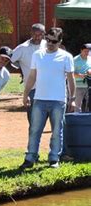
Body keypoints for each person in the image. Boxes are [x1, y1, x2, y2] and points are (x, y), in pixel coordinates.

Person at [20, 27, 75, 170]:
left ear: (60, 41)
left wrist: (72, 98)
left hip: (58, 100)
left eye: (54, 41)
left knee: (57, 131)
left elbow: (71, 79)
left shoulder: (66, 57)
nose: (50, 44)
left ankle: (54, 158)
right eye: (48, 40)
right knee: (34, 130)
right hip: (39, 99)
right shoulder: (37, 55)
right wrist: (25, 94)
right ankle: (30, 157)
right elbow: (32, 76)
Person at [11, 23, 46, 124]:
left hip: (47, 88)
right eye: (35, 34)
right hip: (32, 89)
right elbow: (10, 60)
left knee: (48, 119)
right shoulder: (22, 48)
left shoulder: (48, 45)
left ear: (44, 34)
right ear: (31, 33)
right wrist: (19, 69)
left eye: (40, 35)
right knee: (33, 120)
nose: (37, 37)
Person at [73, 44, 91, 112]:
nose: (87, 53)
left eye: (88, 51)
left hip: (89, 86)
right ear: (81, 50)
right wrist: (79, 75)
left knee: (89, 105)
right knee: (77, 106)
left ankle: (88, 120)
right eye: (85, 51)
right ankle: (77, 120)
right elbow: (70, 73)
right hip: (78, 86)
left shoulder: (90, 58)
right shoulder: (75, 60)